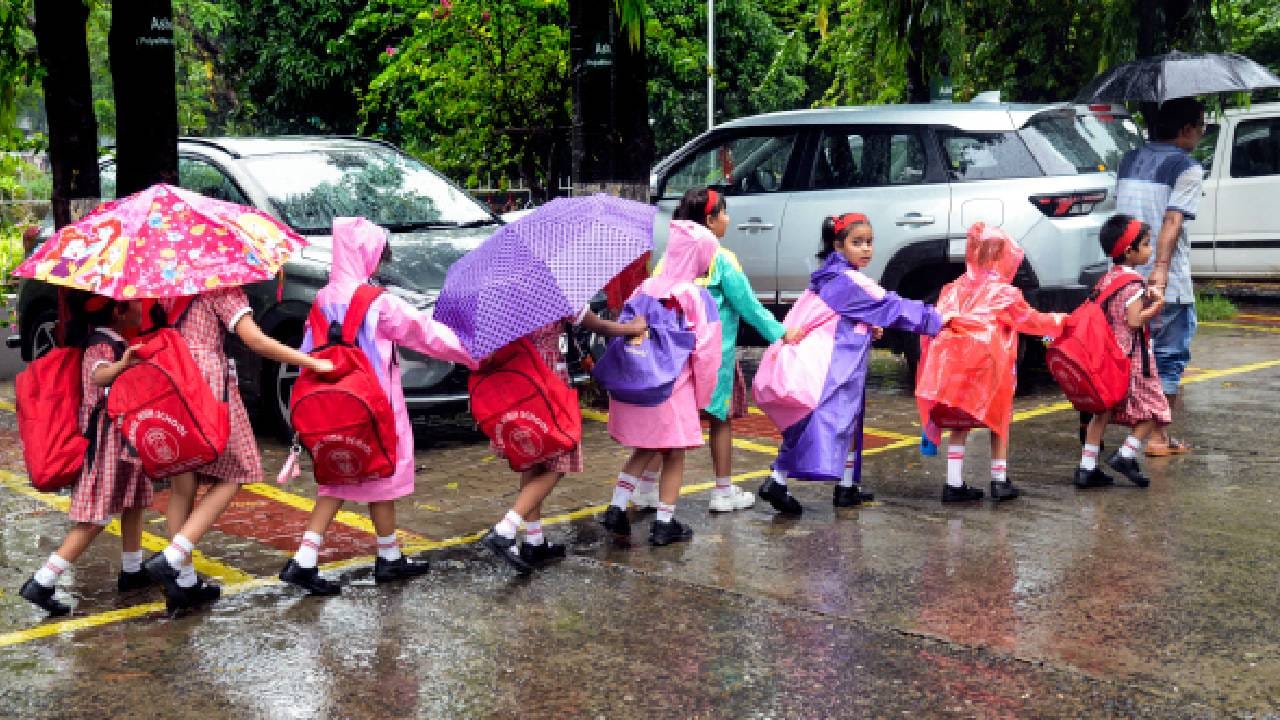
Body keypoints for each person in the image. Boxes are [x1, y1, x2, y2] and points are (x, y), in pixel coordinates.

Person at [278, 217, 479, 594]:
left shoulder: (322, 299)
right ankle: (377, 558)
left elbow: (307, 350)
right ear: (368, 254)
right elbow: (424, 333)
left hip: (331, 404)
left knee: (339, 477)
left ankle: (323, 557)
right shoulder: (378, 302)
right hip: (374, 404)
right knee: (382, 473)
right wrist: (472, 353)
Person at [143, 284, 334, 611]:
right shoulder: (219, 288)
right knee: (239, 470)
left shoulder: (162, 283)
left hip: (164, 378)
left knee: (181, 485)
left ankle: (184, 581)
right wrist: (311, 363)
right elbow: (255, 339)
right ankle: (174, 556)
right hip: (203, 386)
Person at [757, 213, 942, 514]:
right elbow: (890, 306)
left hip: (824, 361)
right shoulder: (851, 280)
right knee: (825, 421)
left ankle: (845, 485)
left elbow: (843, 313)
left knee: (846, 421)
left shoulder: (828, 274)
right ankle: (780, 478)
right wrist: (937, 319)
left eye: (869, 242)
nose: (866, 249)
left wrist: (868, 326)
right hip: (831, 366)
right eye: (858, 243)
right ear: (838, 245)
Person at [637, 188, 801, 514]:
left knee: (668, 422)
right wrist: (781, 333)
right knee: (720, 420)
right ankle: (723, 491)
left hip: (677, 356)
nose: (728, 219)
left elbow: (651, 299)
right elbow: (749, 306)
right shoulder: (722, 259)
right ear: (710, 221)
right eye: (723, 213)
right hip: (715, 358)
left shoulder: (671, 258)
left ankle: (644, 489)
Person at [479, 310, 647, 574]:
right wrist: (632, 327)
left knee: (531, 460)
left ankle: (534, 541)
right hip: (548, 384)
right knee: (561, 458)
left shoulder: (501, 302)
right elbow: (599, 325)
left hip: (517, 381)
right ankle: (506, 528)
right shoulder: (554, 291)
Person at [18, 296, 152, 615]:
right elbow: (99, 375)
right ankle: (43, 581)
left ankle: (133, 570)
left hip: (123, 441)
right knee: (95, 518)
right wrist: (124, 364)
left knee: (134, 501)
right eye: (135, 304)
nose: (142, 308)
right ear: (118, 311)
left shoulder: (116, 340)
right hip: (106, 445)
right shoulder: (100, 344)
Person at [916, 223, 1065, 503]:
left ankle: (953, 482)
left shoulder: (952, 288)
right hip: (989, 363)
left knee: (959, 421)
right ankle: (999, 479)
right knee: (999, 419)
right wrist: (1063, 323)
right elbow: (1031, 321)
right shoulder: (1004, 293)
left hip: (951, 364)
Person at [599, 219, 722, 546]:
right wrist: (703, 395)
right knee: (674, 453)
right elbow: (707, 351)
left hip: (640, 384)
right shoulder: (696, 296)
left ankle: (616, 507)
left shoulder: (645, 287)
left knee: (645, 447)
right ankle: (665, 522)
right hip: (674, 389)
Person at [1115, 97, 1206, 456]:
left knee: (1134, 358)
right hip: (1165, 282)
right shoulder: (1186, 167)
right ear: (1185, 130)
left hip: (1124, 281)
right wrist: (1162, 273)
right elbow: (1171, 222)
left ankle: (1132, 434)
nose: (1201, 134)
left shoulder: (1129, 159)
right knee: (1168, 359)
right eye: (1201, 126)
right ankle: (1155, 438)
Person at [1075, 215, 1168, 489]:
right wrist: (1157, 305)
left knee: (1101, 413)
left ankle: (1087, 468)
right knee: (1154, 410)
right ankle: (1126, 454)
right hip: (1131, 358)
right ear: (1130, 250)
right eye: (1147, 244)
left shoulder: (1107, 279)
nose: (1151, 250)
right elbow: (1135, 321)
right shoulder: (1133, 284)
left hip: (1105, 357)